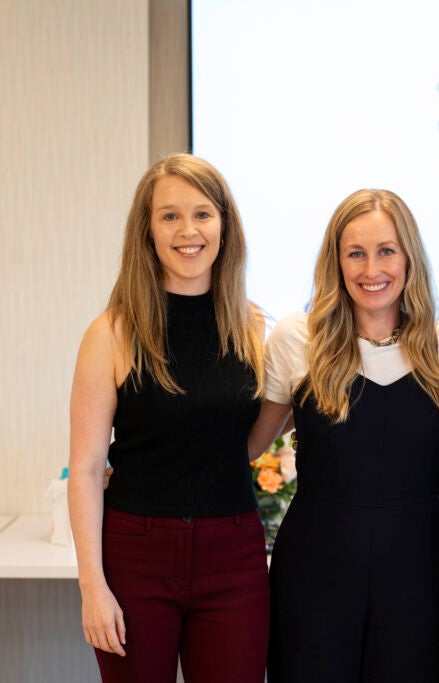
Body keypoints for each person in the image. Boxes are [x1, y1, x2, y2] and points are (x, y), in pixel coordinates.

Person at [68, 154, 269, 682]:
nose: (188, 231)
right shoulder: (110, 333)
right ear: (148, 231)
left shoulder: (254, 329)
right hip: (136, 558)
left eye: (203, 214)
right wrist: (93, 586)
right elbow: (87, 469)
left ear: (224, 225)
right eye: (170, 216)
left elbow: (247, 440)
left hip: (234, 556)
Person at [247, 189, 439, 682]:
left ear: (409, 257)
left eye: (386, 251)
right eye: (355, 253)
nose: (371, 269)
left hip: (418, 566)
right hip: (316, 565)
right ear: (335, 262)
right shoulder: (297, 339)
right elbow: (250, 444)